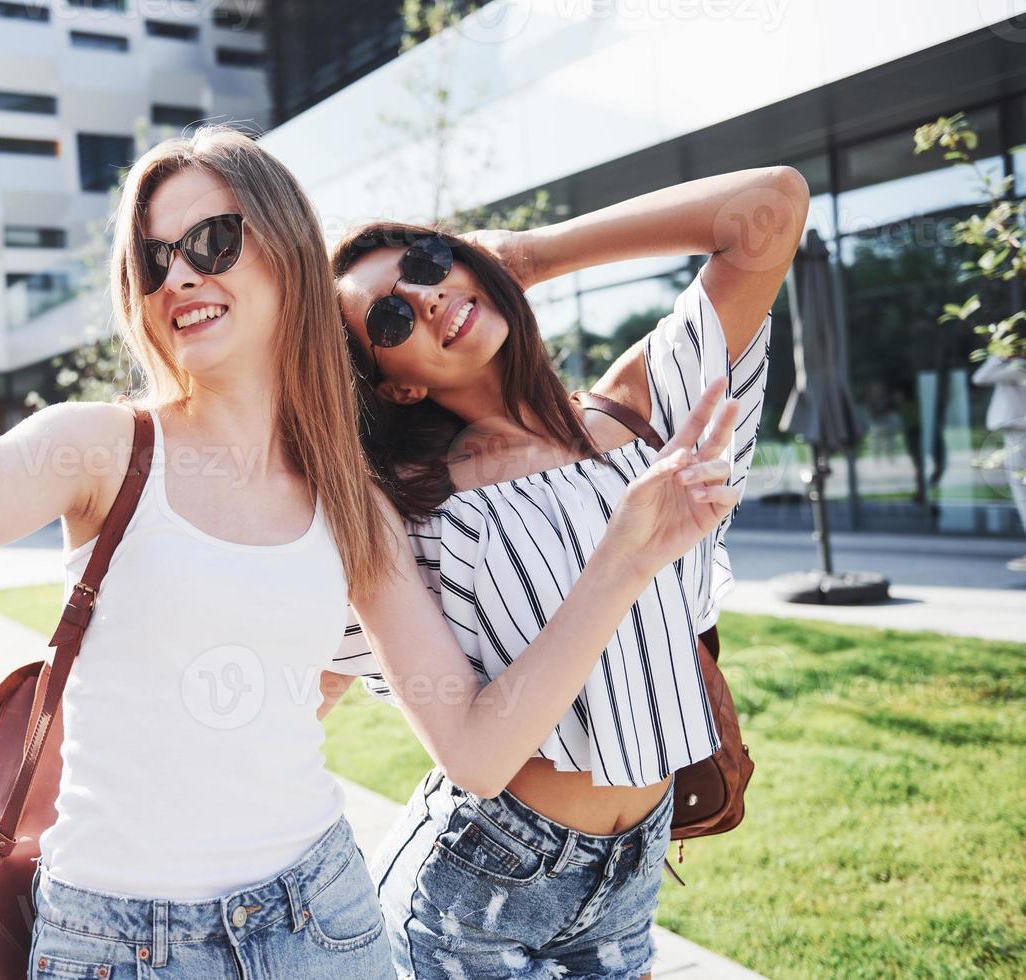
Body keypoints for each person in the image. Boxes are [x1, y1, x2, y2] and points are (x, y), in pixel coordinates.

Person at [0, 65, 744, 980]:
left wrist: (624, 557)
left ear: (283, 255)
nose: (180, 275)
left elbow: (477, 746)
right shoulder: (101, 446)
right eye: (154, 257)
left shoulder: (351, 497)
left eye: (211, 241)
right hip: (115, 942)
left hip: (323, 917)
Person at [325, 167, 808, 978]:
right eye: (391, 316)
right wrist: (621, 557)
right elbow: (468, 755)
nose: (428, 297)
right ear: (394, 384)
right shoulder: (409, 508)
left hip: (634, 867)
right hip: (477, 888)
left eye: (426, 263)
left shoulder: (640, 409)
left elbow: (769, 208)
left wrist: (529, 253)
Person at [972, 351, 1026, 570]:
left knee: (1021, 492)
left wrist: (1000, 354)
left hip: (1019, 432)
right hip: (1016, 431)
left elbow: (980, 377)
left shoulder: (1018, 367)